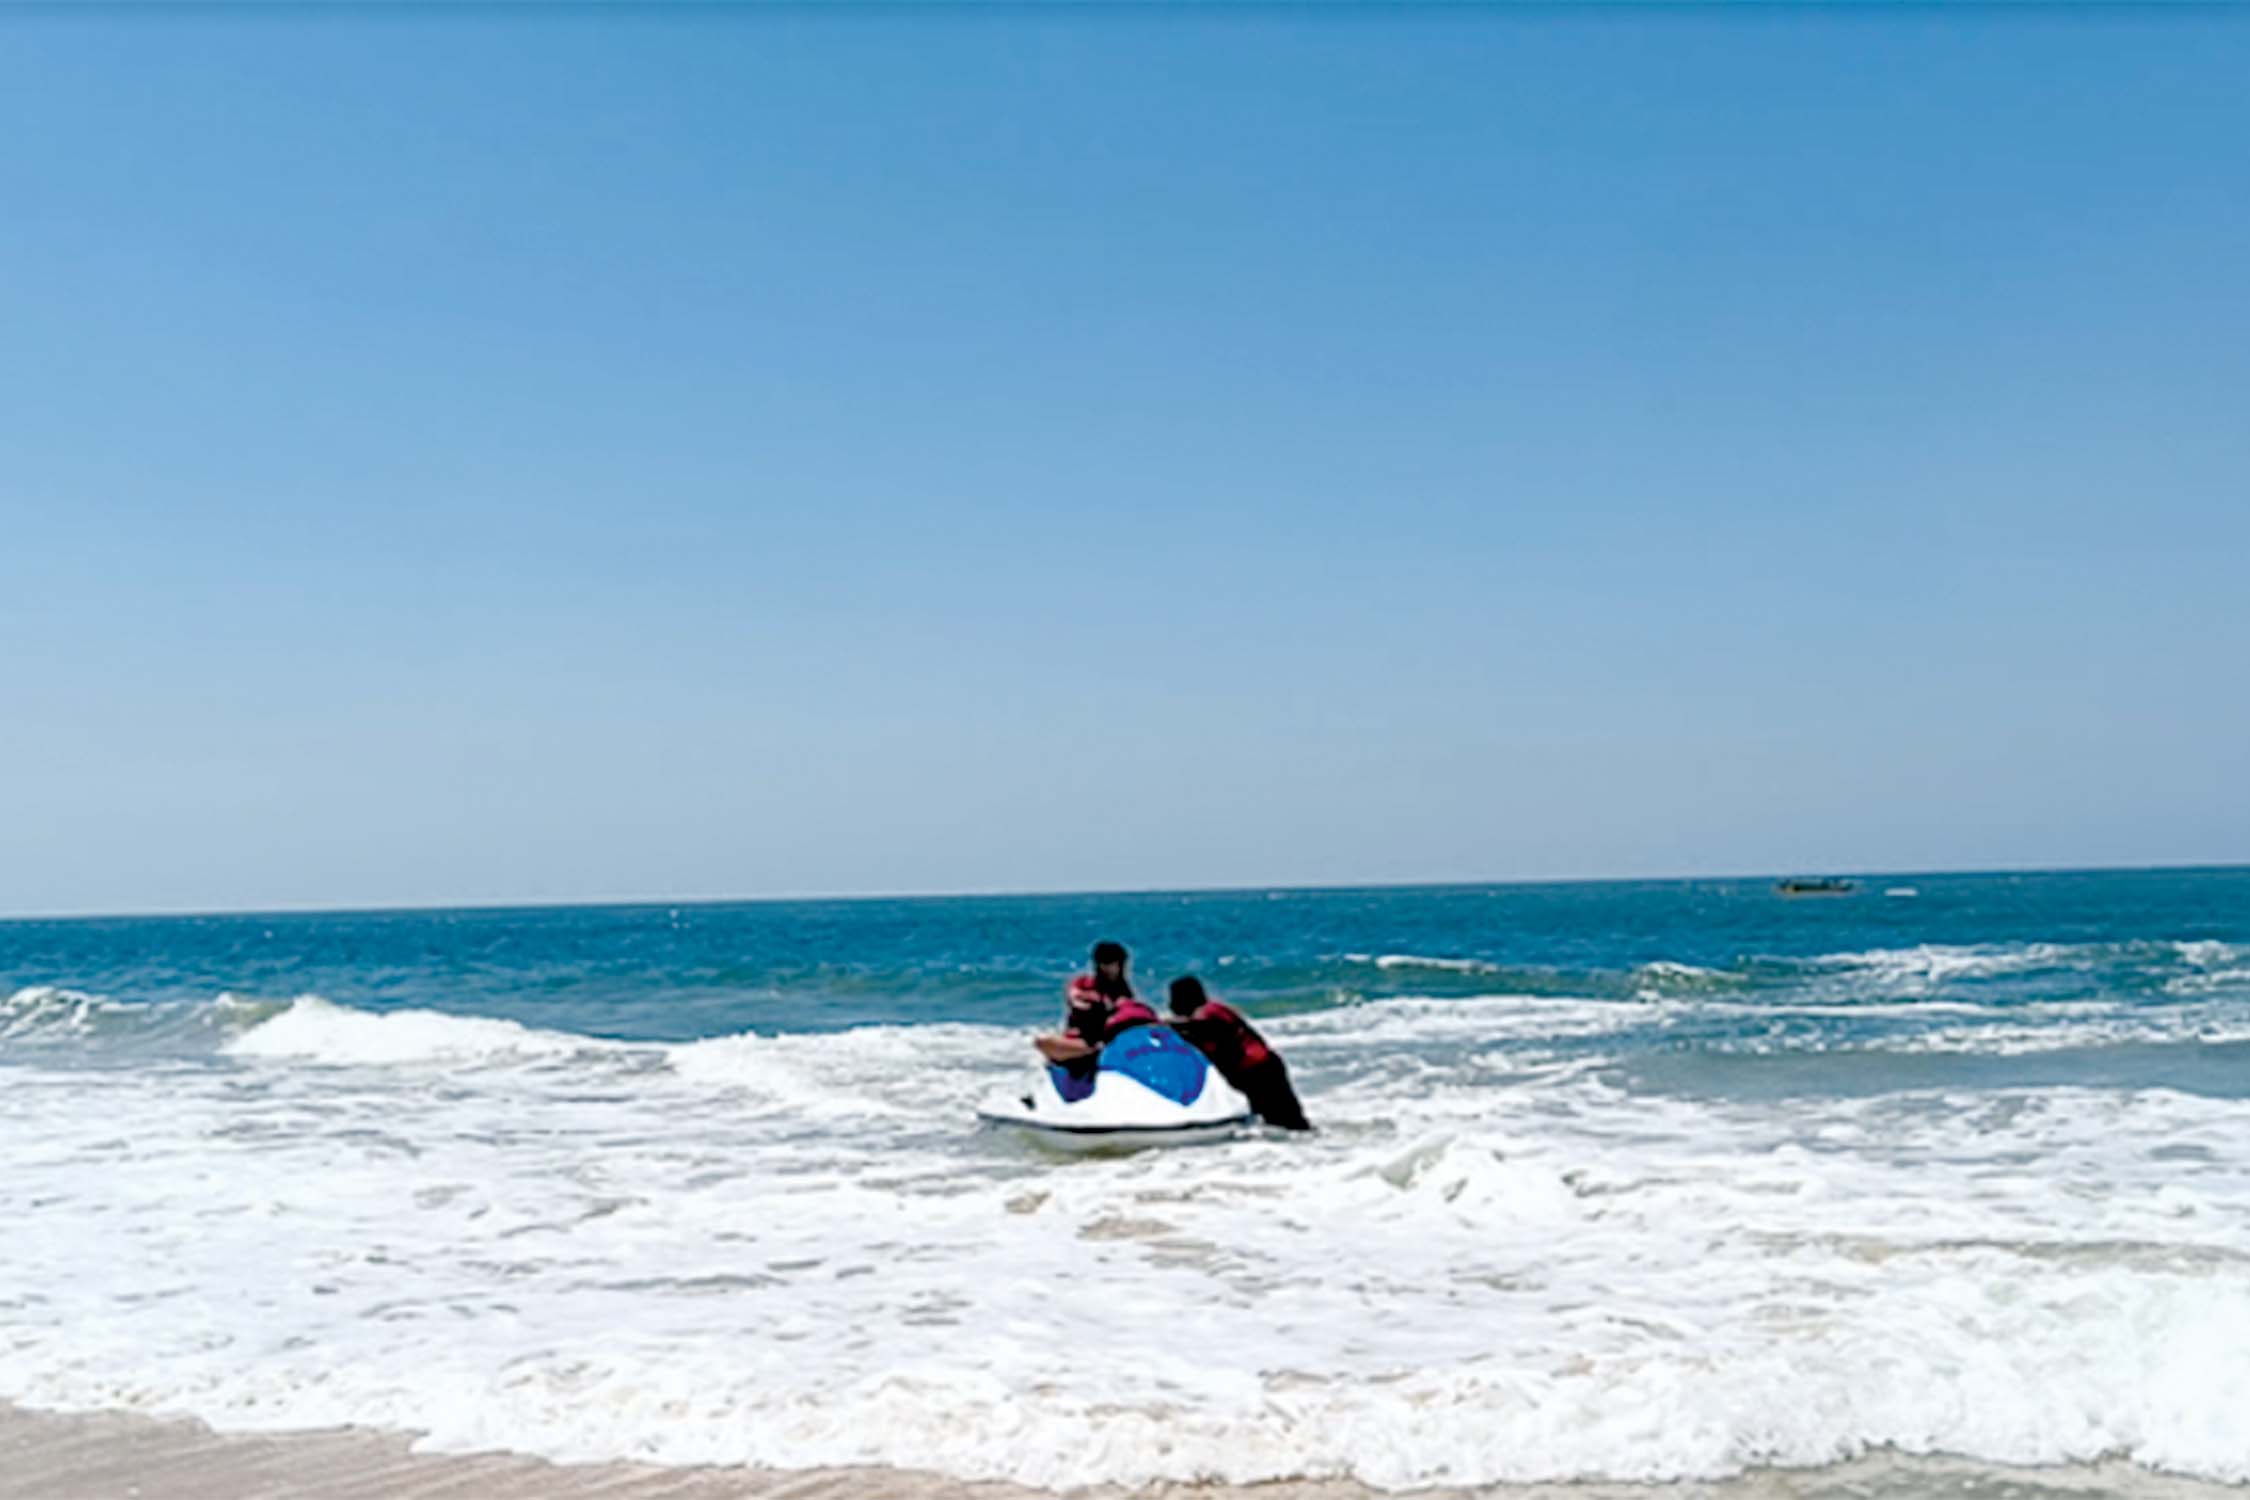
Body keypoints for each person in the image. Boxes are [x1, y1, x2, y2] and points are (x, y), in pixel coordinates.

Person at [1166, 975, 1312, 1131]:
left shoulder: (1208, 1012)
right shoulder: (1214, 1010)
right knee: (1282, 1122)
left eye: (1174, 998)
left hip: (1259, 1072)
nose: (1171, 1004)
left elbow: (1196, 1026)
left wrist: (1160, 1024)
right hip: (1263, 1068)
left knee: (1285, 1121)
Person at [1034, 940, 1157, 1065]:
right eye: (1107, 963)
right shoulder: (1083, 983)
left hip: (1109, 1040)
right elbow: (1074, 998)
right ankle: (1090, 1054)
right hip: (1082, 1041)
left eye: (1116, 963)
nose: (1112, 968)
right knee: (1041, 1042)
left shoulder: (1123, 990)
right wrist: (1094, 1003)